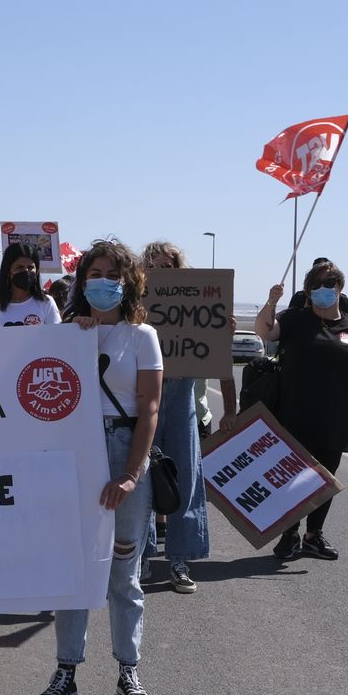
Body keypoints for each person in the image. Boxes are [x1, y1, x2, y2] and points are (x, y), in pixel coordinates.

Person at [34, 239, 161, 695]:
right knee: (74, 567)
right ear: (81, 281)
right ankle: (66, 672)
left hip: (123, 449)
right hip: (75, 454)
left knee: (123, 573)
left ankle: (129, 669)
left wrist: (130, 474)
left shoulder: (141, 336)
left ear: (126, 283)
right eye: (94, 273)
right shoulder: (67, 335)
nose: (102, 282)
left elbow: (149, 407)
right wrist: (74, 340)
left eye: (112, 274)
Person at [255, 259, 348, 561]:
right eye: (317, 285)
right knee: (292, 478)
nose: (324, 289)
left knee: (323, 479)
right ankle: (288, 535)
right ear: (307, 290)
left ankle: (314, 536)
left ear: (340, 288)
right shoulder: (294, 319)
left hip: (336, 418)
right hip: (293, 416)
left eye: (330, 284)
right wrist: (271, 302)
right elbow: (264, 331)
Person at [137, 240, 211, 594]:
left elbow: (214, 358)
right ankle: (144, 556)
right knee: (142, 480)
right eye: (153, 265)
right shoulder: (133, 306)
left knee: (185, 480)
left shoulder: (195, 303)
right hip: (142, 398)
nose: (160, 272)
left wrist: (216, 328)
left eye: (168, 266)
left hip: (181, 399)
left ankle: (179, 560)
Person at [0, 242, 61, 327]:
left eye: (30, 268)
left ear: (37, 271)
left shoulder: (47, 303)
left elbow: (56, 336)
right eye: (19, 267)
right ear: (8, 271)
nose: (26, 271)